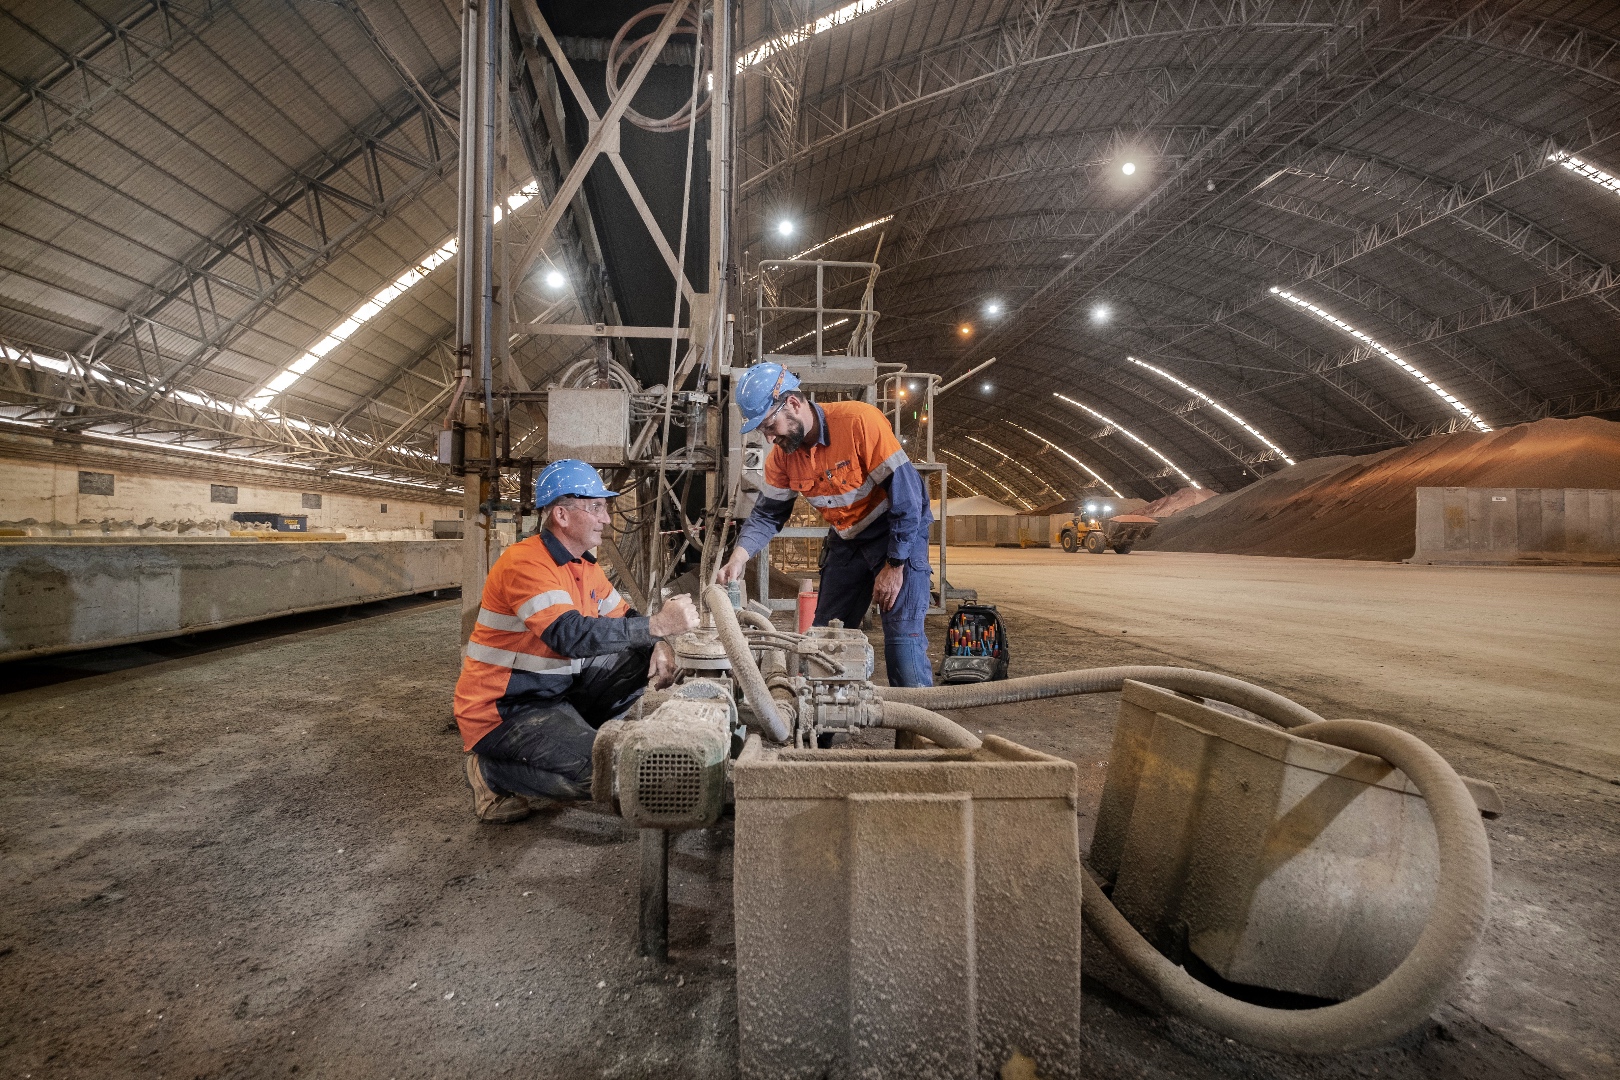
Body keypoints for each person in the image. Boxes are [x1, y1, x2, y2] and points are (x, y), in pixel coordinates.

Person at [453, 459, 699, 823]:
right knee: (609, 774)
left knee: (639, 651)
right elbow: (568, 635)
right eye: (596, 507)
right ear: (562, 515)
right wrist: (660, 624)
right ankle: (491, 774)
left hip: (554, 694)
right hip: (505, 710)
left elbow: (626, 619)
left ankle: (574, 741)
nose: (606, 519)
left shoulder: (583, 566)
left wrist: (658, 643)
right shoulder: (525, 563)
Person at [716, 362, 934, 687]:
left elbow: (908, 499)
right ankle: (826, 716)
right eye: (762, 430)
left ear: (792, 403)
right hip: (848, 540)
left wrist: (895, 565)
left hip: (896, 534)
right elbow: (767, 514)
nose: (769, 437)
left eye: (770, 425)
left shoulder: (859, 422)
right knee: (824, 643)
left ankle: (917, 715)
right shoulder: (782, 458)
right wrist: (738, 557)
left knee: (903, 643)